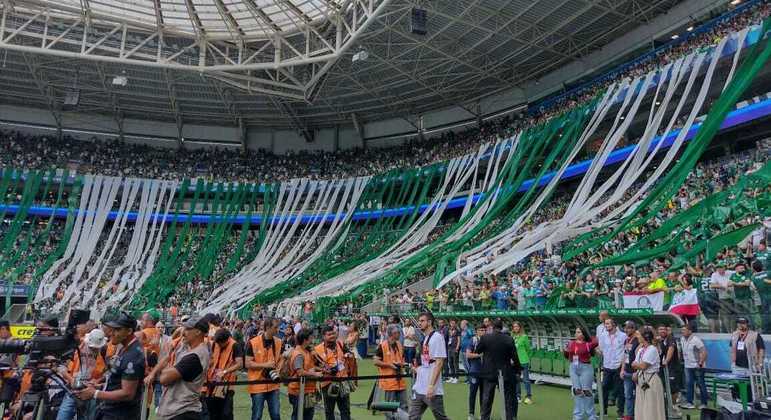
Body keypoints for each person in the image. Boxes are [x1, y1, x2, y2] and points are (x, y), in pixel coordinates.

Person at [75, 312, 145, 420]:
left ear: (129, 331)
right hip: (110, 410)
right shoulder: (124, 348)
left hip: (119, 414)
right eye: (112, 329)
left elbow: (127, 393)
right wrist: (100, 385)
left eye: (117, 329)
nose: (111, 333)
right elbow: (118, 382)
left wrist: (95, 393)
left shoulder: (133, 355)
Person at [156, 316, 211, 420]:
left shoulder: (195, 356)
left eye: (187, 329)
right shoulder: (190, 350)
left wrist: (165, 369)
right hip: (178, 411)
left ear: (198, 332)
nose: (183, 332)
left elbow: (164, 379)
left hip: (182, 412)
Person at [470, 318, 520, 420]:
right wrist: (518, 369)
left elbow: (477, 351)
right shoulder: (508, 339)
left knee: (487, 398)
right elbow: (515, 357)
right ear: (501, 328)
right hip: (505, 372)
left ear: (492, 327)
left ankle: (485, 418)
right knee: (507, 398)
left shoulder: (485, 338)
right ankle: (508, 418)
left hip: (489, 372)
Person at [58, 328, 108, 420]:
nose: (94, 349)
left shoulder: (103, 353)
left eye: (96, 348)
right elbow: (61, 367)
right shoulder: (76, 348)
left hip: (90, 392)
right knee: (63, 416)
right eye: (92, 347)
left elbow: (106, 373)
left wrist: (97, 381)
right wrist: (71, 380)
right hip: (73, 390)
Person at [408, 312, 448, 420]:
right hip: (419, 386)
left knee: (440, 417)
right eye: (419, 321)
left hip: (431, 389)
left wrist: (431, 386)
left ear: (429, 322)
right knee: (413, 417)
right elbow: (427, 361)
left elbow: (439, 362)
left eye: (422, 321)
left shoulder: (437, 337)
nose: (419, 323)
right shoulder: (426, 338)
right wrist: (417, 369)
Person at [245, 318, 283, 420]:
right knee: (257, 416)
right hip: (257, 384)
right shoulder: (253, 342)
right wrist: (266, 365)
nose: (278, 330)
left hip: (273, 384)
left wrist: (278, 370)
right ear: (267, 328)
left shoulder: (279, 342)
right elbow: (247, 363)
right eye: (275, 327)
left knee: (276, 415)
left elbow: (281, 359)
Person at [314, 325, 353, 420]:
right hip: (327, 383)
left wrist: (349, 355)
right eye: (329, 334)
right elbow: (313, 366)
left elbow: (350, 354)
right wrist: (325, 370)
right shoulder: (317, 349)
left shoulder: (340, 344)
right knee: (329, 411)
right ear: (323, 336)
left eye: (333, 333)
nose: (332, 336)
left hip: (342, 381)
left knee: (345, 410)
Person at [204, 328, 243, 420]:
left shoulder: (235, 345)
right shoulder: (215, 343)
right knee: (212, 411)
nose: (219, 345)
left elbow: (240, 364)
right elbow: (212, 359)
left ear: (227, 340)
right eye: (217, 343)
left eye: (221, 343)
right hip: (213, 381)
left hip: (227, 384)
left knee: (226, 413)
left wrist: (225, 372)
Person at [373, 324, 408, 419]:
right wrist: (389, 365)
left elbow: (402, 359)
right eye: (397, 333)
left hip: (400, 380)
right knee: (389, 407)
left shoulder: (399, 345)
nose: (399, 334)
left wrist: (403, 364)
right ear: (391, 334)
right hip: (389, 381)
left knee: (404, 406)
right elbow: (375, 361)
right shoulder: (383, 345)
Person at [287, 329, 322, 420]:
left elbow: (310, 366)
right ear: (305, 340)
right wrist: (315, 374)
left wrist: (321, 369)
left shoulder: (307, 351)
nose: (313, 340)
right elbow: (300, 372)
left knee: (307, 415)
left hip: (307, 390)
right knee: (299, 416)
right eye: (311, 338)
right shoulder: (299, 354)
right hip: (298, 391)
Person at [564, 326, 597, 420]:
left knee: (587, 391)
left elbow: (596, 341)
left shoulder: (587, 344)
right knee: (577, 391)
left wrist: (589, 338)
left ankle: (591, 415)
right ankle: (578, 415)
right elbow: (566, 356)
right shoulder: (571, 343)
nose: (576, 334)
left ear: (583, 334)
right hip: (573, 367)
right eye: (576, 332)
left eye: (579, 332)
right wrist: (566, 351)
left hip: (585, 367)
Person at [632, 328, 665, 420]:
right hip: (641, 379)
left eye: (638, 335)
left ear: (645, 337)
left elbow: (643, 366)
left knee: (651, 406)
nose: (637, 337)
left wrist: (637, 365)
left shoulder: (652, 349)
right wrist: (637, 368)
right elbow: (634, 364)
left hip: (651, 379)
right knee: (641, 405)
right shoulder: (641, 350)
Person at [596, 318, 626, 418]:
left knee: (620, 390)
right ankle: (603, 411)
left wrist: (622, 367)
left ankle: (620, 412)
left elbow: (625, 352)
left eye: (608, 323)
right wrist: (596, 350)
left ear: (614, 325)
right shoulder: (603, 336)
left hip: (618, 366)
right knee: (604, 388)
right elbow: (601, 349)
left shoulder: (623, 336)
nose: (606, 325)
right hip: (607, 366)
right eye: (605, 324)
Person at [679, 322, 708, 409]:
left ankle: (704, 403)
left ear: (690, 331)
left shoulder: (696, 340)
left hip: (697, 366)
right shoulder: (682, 339)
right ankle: (689, 402)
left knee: (701, 384)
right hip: (687, 366)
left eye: (684, 330)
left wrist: (700, 362)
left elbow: (704, 352)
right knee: (689, 384)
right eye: (682, 330)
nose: (682, 332)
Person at [657, 325, 681, 416]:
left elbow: (671, 349)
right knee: (663, 387)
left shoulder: (671, 339)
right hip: (662, 368)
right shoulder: (659, 341)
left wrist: (666, 361)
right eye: (660, 329)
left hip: (672, 368)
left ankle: (674, 405)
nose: (662, 331)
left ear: (667, 331)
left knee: (673, 388)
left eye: (664, 329)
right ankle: (666, 406)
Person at [619, 320, 639, 420]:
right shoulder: (627, 340)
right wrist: (622, 369)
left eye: (628, 328)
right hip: (627, 371)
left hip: (636, 372)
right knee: (628, 395)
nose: (626, 330)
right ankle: (630, 415)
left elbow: (640, 357)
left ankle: (639, 414)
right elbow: (625, 355)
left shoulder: (638, 340)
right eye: (625, 328)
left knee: (639, 395)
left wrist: (636, 372)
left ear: (633, 328)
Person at [465, 324, 485, 420]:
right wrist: (479, 355)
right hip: (475, 371)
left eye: (483, 330)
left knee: (484, 393)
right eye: (480, 330)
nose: (482, 331)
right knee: (473, 393)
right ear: (476, 331)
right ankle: (471, 413)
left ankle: (483, 413)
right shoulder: (473, 340)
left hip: (485, 372)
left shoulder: (487, 341)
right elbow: (468, 355)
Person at [710, 263, 735, 331]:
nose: (719, 269)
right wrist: (723, 287)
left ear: (725, 267)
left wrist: (729, 285)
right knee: (725, 314)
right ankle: (728, 331)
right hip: (723, 296)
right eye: (718, 268)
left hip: (734, 295)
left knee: (734, 314)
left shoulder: (731, 272)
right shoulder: (714, 274)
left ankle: (733, 330)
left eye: (721, 267)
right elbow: (712, 285)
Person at [511, 321, 532, 404]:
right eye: (514, 326)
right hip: (515, 362)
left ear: (520, 327)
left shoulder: (524, 337)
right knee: (516, 379)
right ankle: (518, 396)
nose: (516, 328)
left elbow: (528, 349)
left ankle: (528, 396)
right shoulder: (512, 337)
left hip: (524, 361)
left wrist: (526, 357)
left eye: (517, 326)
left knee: (526, 379)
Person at [446, 320, 460, 384]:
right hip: (449, 348)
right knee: (450, 362)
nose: (452, 324)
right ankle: (452, 376)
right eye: (451, 323)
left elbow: (459, 340)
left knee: (455, 363)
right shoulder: (449, 330)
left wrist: (457, 347)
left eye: (453, 323)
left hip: (454, 348)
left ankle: (456, 378)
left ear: (455, 324)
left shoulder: (457, 330)